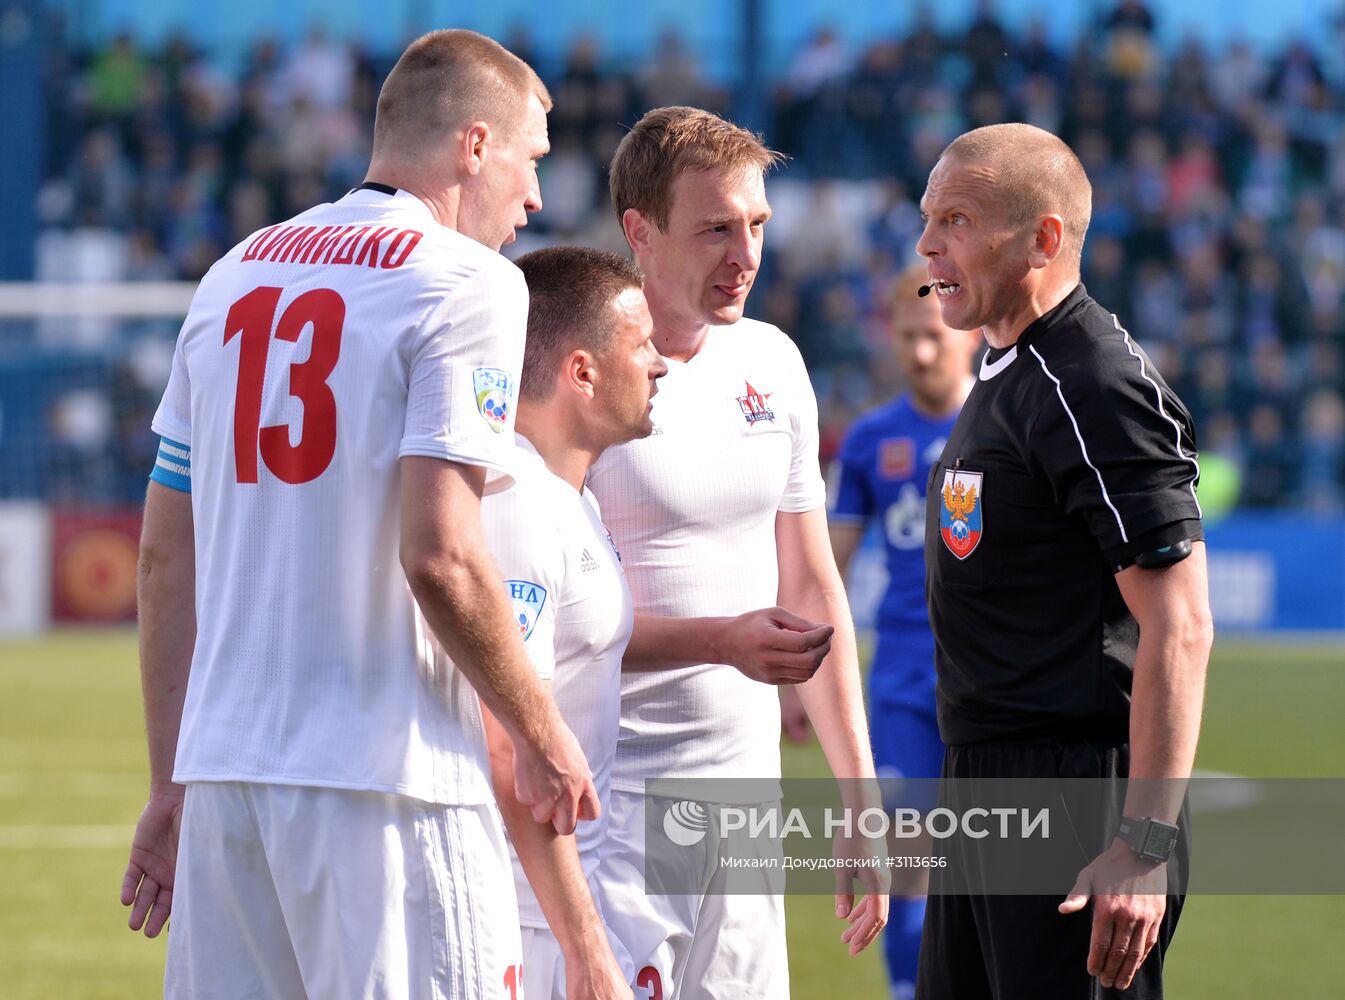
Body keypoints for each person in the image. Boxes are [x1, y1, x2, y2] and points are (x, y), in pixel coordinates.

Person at [120, 29, 600, 998]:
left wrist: (172, 782)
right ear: (475, 144)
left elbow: (166, 558)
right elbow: (443, 557)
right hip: (393, 785)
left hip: (227, 786)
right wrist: (546, 736)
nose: (537, 199)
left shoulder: (233, 273)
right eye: (531, 160)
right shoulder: (471, 284)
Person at [586, 106, 888, 1000]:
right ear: (639, 232)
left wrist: (857, 796)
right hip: (612, 813)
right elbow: (544, 620)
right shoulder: (572, 371)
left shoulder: (773, 360)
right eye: (715, 228)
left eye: (756, 224)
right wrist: (722, 638)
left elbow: (810, 583)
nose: (745, 253)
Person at [912, 122, 1213, 999]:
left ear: (1042, 238)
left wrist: (1144, 846)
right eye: (927, 217)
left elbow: (1181, 624)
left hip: (1072, 805)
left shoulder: (1093, 382)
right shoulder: (1008, 368)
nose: (927, 243)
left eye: (957, 219)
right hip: (984, 790)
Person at [477, 246, 666, 1000]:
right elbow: (508, 748)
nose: (660, 364)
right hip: (521, 922)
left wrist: (724, 640)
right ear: (582, 373)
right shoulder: (517, 508)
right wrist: (583, 948)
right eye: (642, 344)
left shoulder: (567, 497)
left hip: (556, 900)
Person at [827, 261, 980, 999]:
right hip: (901, 678)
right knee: (909, 852)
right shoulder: (868, 441)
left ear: (970, 329)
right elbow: (827, 571)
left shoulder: (1007, 422)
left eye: (935, 334)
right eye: (907, 335)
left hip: (993, 678)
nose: (921, 352)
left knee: (1003, 860)